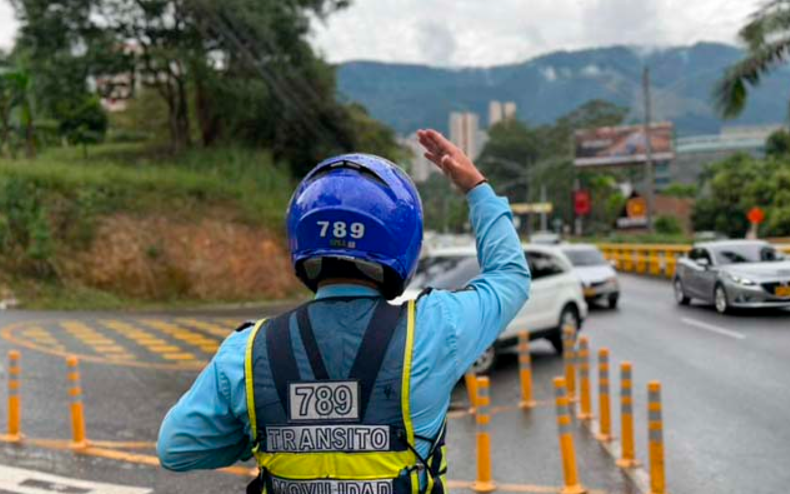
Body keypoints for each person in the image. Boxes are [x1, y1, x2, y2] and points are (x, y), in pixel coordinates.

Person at [157, 129, 531, 494]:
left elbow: (175, 449)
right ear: (405, 241)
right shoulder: (435, 330)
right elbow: (509, 277)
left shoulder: (246, 352)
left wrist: (257, 433)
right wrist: (477, 188)